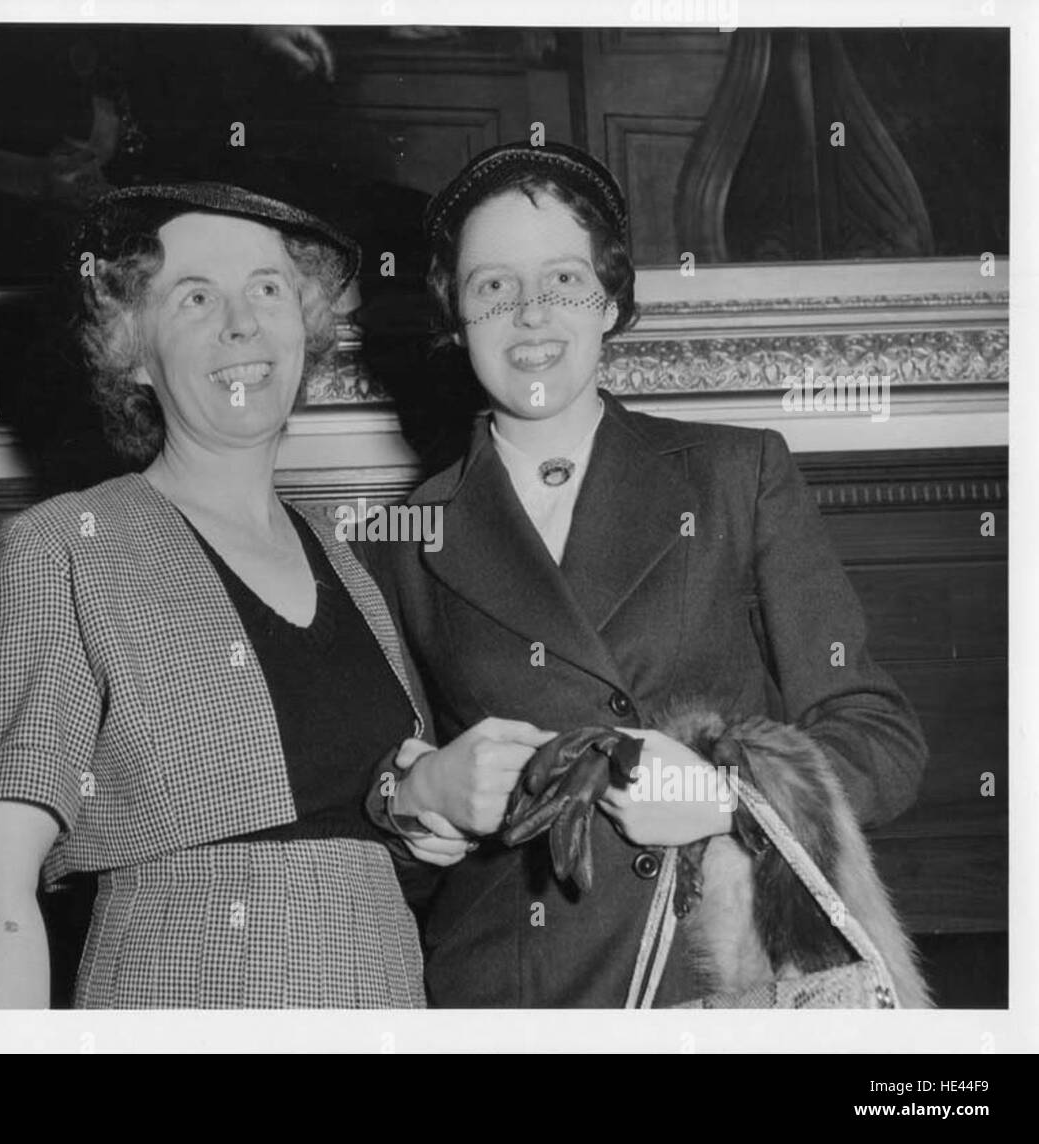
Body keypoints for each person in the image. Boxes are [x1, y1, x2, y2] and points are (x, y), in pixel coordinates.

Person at [0, 180, 547, 1008]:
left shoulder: (353, 569)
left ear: (306, 323)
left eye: (268, 288)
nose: (242, 322)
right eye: (195, 297)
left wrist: (416, 802)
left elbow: (347, 830)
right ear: (133, 352)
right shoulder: (64, 549)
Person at [364, 141, 930, 1006]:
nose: (531, 314)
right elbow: (385, 847)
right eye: (492, 288)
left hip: (711, 975)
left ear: (612, 299)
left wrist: (727, 797)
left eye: (563, 281)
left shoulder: (738, 476)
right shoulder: (401, 538)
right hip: (510, 994)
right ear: (454, 315)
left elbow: (881, 742)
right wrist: (413, 804)